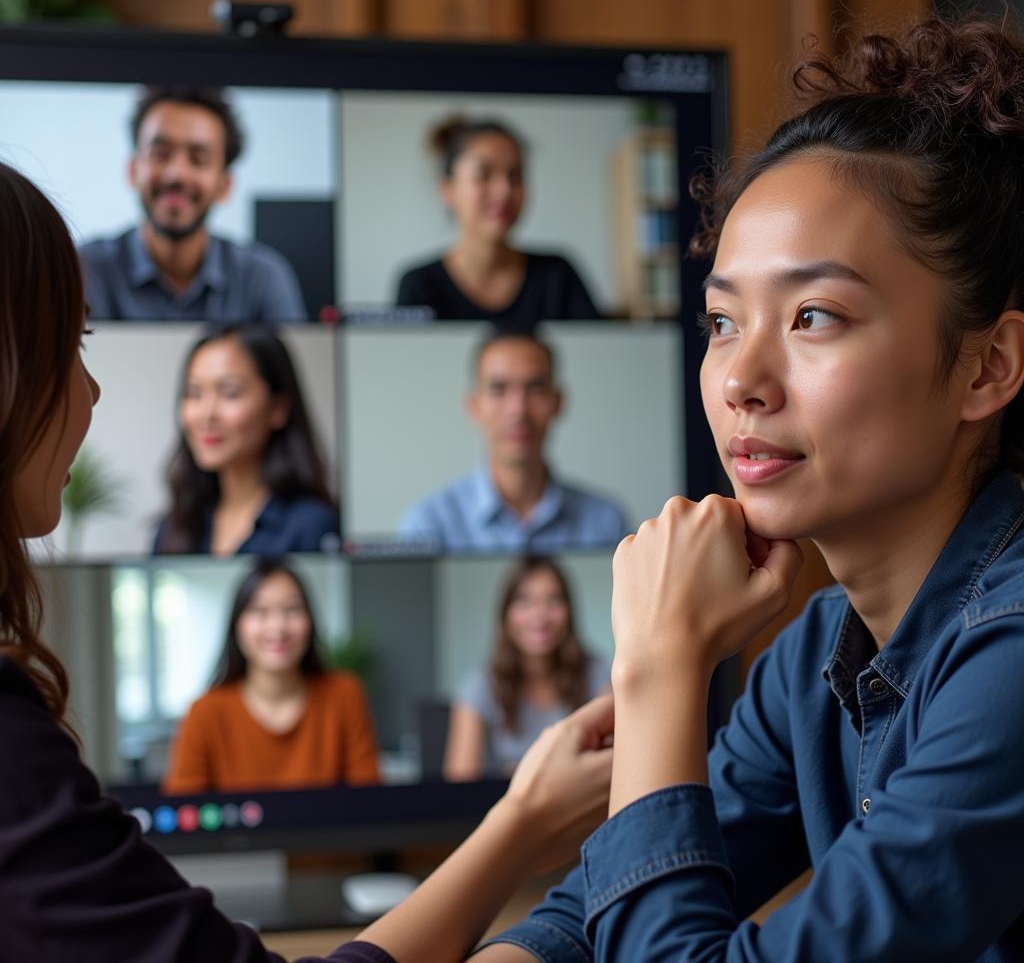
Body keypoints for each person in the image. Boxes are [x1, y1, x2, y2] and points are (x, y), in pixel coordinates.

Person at [476, 15, 1024, 960]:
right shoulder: (817, 653)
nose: (740, 381)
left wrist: (658, 670)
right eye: (723, 322)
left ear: (987, 366)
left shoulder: (1011, 662)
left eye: (813, 316)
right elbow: (581, 924)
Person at [0, 155, 615, 960]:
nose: (92, 391)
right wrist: (525, 831)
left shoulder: (329, 611)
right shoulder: (175, 613)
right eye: (69, 346)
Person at [79, 85, 307, 322]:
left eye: (199, 159)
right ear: (133, 171)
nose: (177, 174)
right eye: (161, 154)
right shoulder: (86, 270)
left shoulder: (263, 278)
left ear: (224, 185)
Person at [163, 559, 379, 794]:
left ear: (310, 622)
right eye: (260, 611)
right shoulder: (204, 712)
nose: (278, 627)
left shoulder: (344, 695)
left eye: (292, 610)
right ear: (237, 626)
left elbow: (369, 804)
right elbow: (183, 814)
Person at [399, 331, 628, 552]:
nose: (518, 410)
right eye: (499, 389)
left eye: (535, 389)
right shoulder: (428, 525)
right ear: (474, 405)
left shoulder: (607, 523)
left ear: (558, 402)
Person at [395, 116, 603, 326]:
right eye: (483, 175)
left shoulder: (557, 275)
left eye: (515, 176)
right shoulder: (419, 285)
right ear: (448, 190)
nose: (504, 191)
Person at [153, 323, 339, 555]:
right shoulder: (173, 526)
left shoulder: (312, 526)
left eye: (230, 392)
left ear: (278, 408)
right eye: (194, 393)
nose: (207, 415)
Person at [445, 557, 610, 781]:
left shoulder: (596, 672)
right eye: (524, 601)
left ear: (569, 611)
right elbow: (458, 786)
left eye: (553, 600)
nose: (539, 615)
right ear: (506, 614)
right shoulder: (480, 685)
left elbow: (615, 763)